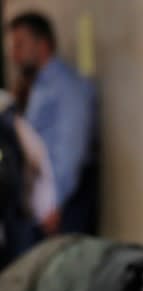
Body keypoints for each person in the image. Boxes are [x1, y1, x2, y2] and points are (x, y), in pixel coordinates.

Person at [8, 11, 98, 236]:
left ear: (42, 44)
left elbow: (71, 149)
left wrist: (54, 203)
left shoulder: (67, 86)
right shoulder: (36, 85)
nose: (14, 54)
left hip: (61, 205)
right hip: (40, 201)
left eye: (20, 45)